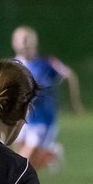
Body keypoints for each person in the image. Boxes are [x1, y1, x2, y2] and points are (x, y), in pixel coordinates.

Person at [10, 25, 83, 171]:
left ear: (34, 42)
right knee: (22, 161)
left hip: (43, 119)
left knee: (23, 165)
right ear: (14, 42)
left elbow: (69, 75)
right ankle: (50, 153)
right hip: (21, 119)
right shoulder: (12, 65)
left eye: (27, 39)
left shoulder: (47, 63)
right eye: (20, 39)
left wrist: (75, 102)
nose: (24, 43)